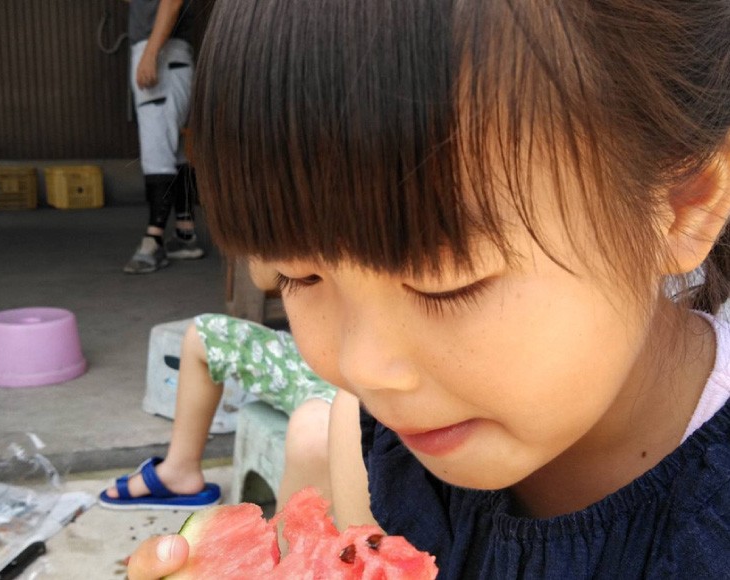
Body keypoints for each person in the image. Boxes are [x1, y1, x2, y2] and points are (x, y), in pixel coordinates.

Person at [125, 0, 730, 578]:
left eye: (444, 284)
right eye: (298, 276)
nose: (364, 370)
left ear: (684, 205)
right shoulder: (366, 440)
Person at [99, 309, 336, 512]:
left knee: (313, 432)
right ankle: (179, 470)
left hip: (351, 385)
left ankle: (287, 549)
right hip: (314, 359)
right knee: (204, 335)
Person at [123, 0, 203, 274]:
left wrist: (150, 53)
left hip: (161, 54)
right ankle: (185, 233)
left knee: (156, 151)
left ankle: (153, 241)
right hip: (170, 56)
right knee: (176, 152)